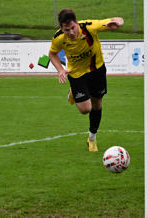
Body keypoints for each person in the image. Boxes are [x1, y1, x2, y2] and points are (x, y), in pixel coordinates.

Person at [49, 8, 124, 152]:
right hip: (76, 73)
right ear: (62, 28)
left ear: (77, 23)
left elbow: (115, 20)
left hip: (96, 69)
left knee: (97, 104)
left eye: (72, 28)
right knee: (85, 109)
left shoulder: (90, 27)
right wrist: (60, 70)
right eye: (66, 30)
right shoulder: (59, 38)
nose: (71, 32)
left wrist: (118, 22)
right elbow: (52, 54)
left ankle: (92, 138)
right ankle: (74, 92)